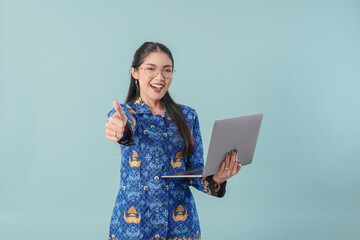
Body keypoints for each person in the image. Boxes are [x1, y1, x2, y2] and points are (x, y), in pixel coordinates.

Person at [105, 42, 241, 240]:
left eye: (167, 70)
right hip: (134, 226)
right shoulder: (127, 113)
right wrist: (120, 127)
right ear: (135, 72)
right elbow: (126, 128)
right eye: (150, 69)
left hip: (180, 226)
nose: (160, 77)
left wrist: (218, 178)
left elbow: (194, 172)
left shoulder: (188, 116)